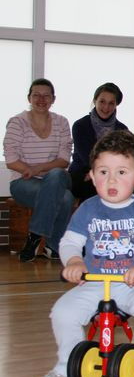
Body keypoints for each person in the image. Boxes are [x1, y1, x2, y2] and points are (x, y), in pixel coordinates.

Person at [36, 130, 134, 377]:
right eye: (103, 171)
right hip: (95, 282)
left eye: (122, 172)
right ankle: (67, 366)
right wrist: (74, 262)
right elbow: (70, 241)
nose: (112, 179)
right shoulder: (88, 208)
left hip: (132, 282)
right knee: (63, 312)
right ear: (92, 175)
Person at [3, 78, 74, 262]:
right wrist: (30, 172)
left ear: (53, 99)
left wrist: (37, 169)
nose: (41, 99)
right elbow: (11, 160)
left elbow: (64, 160)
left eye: (46, 96)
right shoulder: (17, 122)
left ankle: (34, 236)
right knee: (65, 198)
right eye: (36, 95)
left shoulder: (62, 122)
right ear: (29, 98)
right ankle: (53, 246)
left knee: (57, 175)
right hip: (23, 182)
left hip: (54, 177)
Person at [68, 82, 128, 202]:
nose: (106, 107)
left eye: (111, 103)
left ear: (116, 105)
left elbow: (124, 158)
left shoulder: (122, 130)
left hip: (112, 175)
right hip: (83, 174)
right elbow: (88, 157)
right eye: (102, 101)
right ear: (95, 101)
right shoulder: (80, 125)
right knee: (94, 188)